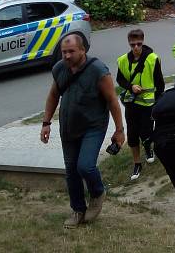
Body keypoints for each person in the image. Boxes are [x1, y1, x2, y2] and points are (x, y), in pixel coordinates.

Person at [40, 34, 125, 229]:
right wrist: (46, 123)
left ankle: (97, 193)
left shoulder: (98, 71)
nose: (67, 56)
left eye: (71, 51)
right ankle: (78, 210)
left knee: (85, 166)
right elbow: (53, 95)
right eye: (64, 52)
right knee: (71, 171)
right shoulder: (60, 68)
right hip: (69, 127)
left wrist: (119, 130)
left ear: (82, 51)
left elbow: (113, 100)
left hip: (93, 127)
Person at [116, 28, 164, 181]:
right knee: (132, 134)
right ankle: (137, 163)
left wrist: (157, 102)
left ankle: (148, 148)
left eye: (139, 44)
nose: (136, 47)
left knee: (147, 132)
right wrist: (131, 87)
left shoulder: (152, 59)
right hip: (131, 103)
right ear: (129, 44)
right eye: (132, 45)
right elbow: (119, 79)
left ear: (143, 42)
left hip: (148, 104)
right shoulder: (123, 60)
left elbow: (160, 84)